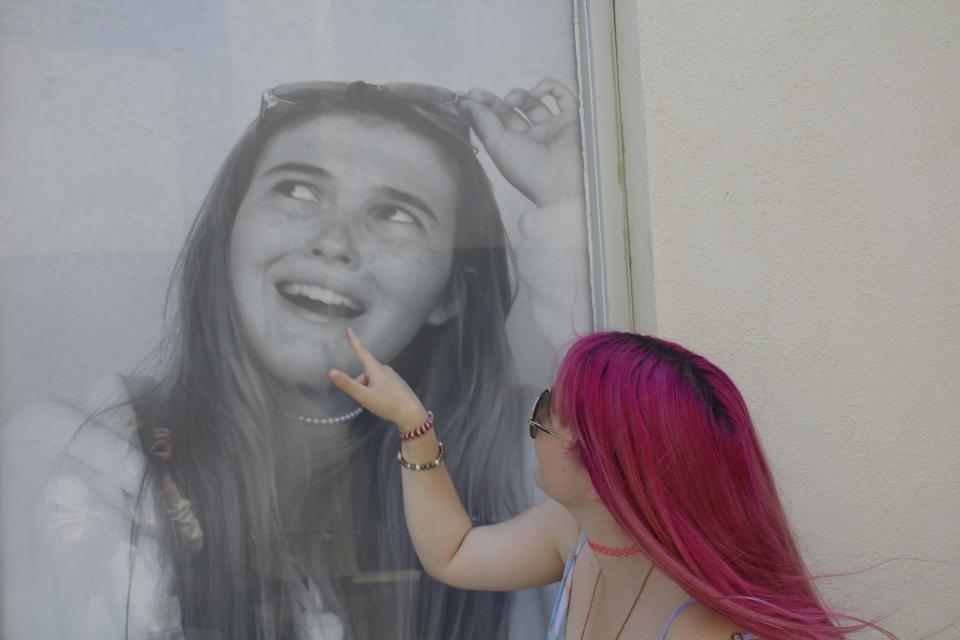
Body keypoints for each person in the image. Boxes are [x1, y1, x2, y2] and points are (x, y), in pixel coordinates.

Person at [0, 77, 587, 639]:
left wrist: (570, 205)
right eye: (299, 190)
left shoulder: (528, 469)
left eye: (397, 215)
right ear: (232, 230)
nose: (333, 240)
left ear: (451, 294)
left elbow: (647, 489)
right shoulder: (75, 474)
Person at [329, 328, 901, 640]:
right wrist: (413, 423)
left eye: (548, 410)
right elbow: (454, 553)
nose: (535, 422)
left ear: (605, 473)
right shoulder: (577, 536)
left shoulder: (703, 630)